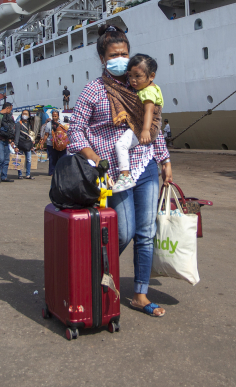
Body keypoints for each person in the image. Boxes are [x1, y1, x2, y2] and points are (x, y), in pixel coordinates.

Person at [68, 24, 172, 318]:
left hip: (146, 164)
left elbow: (153, 126)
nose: (122, 59)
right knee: (124, 232)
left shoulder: (138, 85)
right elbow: (76, 132)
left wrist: (165, 162)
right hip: (113, 172)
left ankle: (140, 294)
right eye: (114, 54)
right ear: (102, 58)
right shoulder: (93, 89)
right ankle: (95, 275)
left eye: (125, 53)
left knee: (146, 232)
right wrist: (96, 160)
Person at [112, 54, 164, 193]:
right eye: (130, 76)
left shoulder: (148, 92)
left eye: (137, 76)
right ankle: (153, 165)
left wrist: (145, 130)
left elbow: (149, 112)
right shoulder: (151, 88)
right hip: (151, 127)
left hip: (147, 126)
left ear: (151, 76)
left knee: (121, 145)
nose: (133, 81)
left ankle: (125, 176)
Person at [40, 109, 68, 176]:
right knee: (52, 159)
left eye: (55, 116)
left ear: (58, 116)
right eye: (53, 116)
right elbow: (46, 134)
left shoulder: (62, 124)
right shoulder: (48, 124)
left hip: (61, 144)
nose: (54, 117)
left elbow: (66, 134)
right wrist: (42, 143)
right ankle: (52, 172)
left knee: (62, 158)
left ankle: (62, 172)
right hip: (51, 144)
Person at [14, 109, 34, 179]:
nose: (24, 115)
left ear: (28, 116)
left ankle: (28, 174)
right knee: (20, 159)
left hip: (28, 143)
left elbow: (31, 135)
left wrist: (32, 144)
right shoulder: (18, 123)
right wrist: (15, 146)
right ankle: (20, 174)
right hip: (20, 143)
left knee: (29, 159)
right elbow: (16, 135)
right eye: (23, 114)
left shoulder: (30, 124)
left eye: (26, 114)